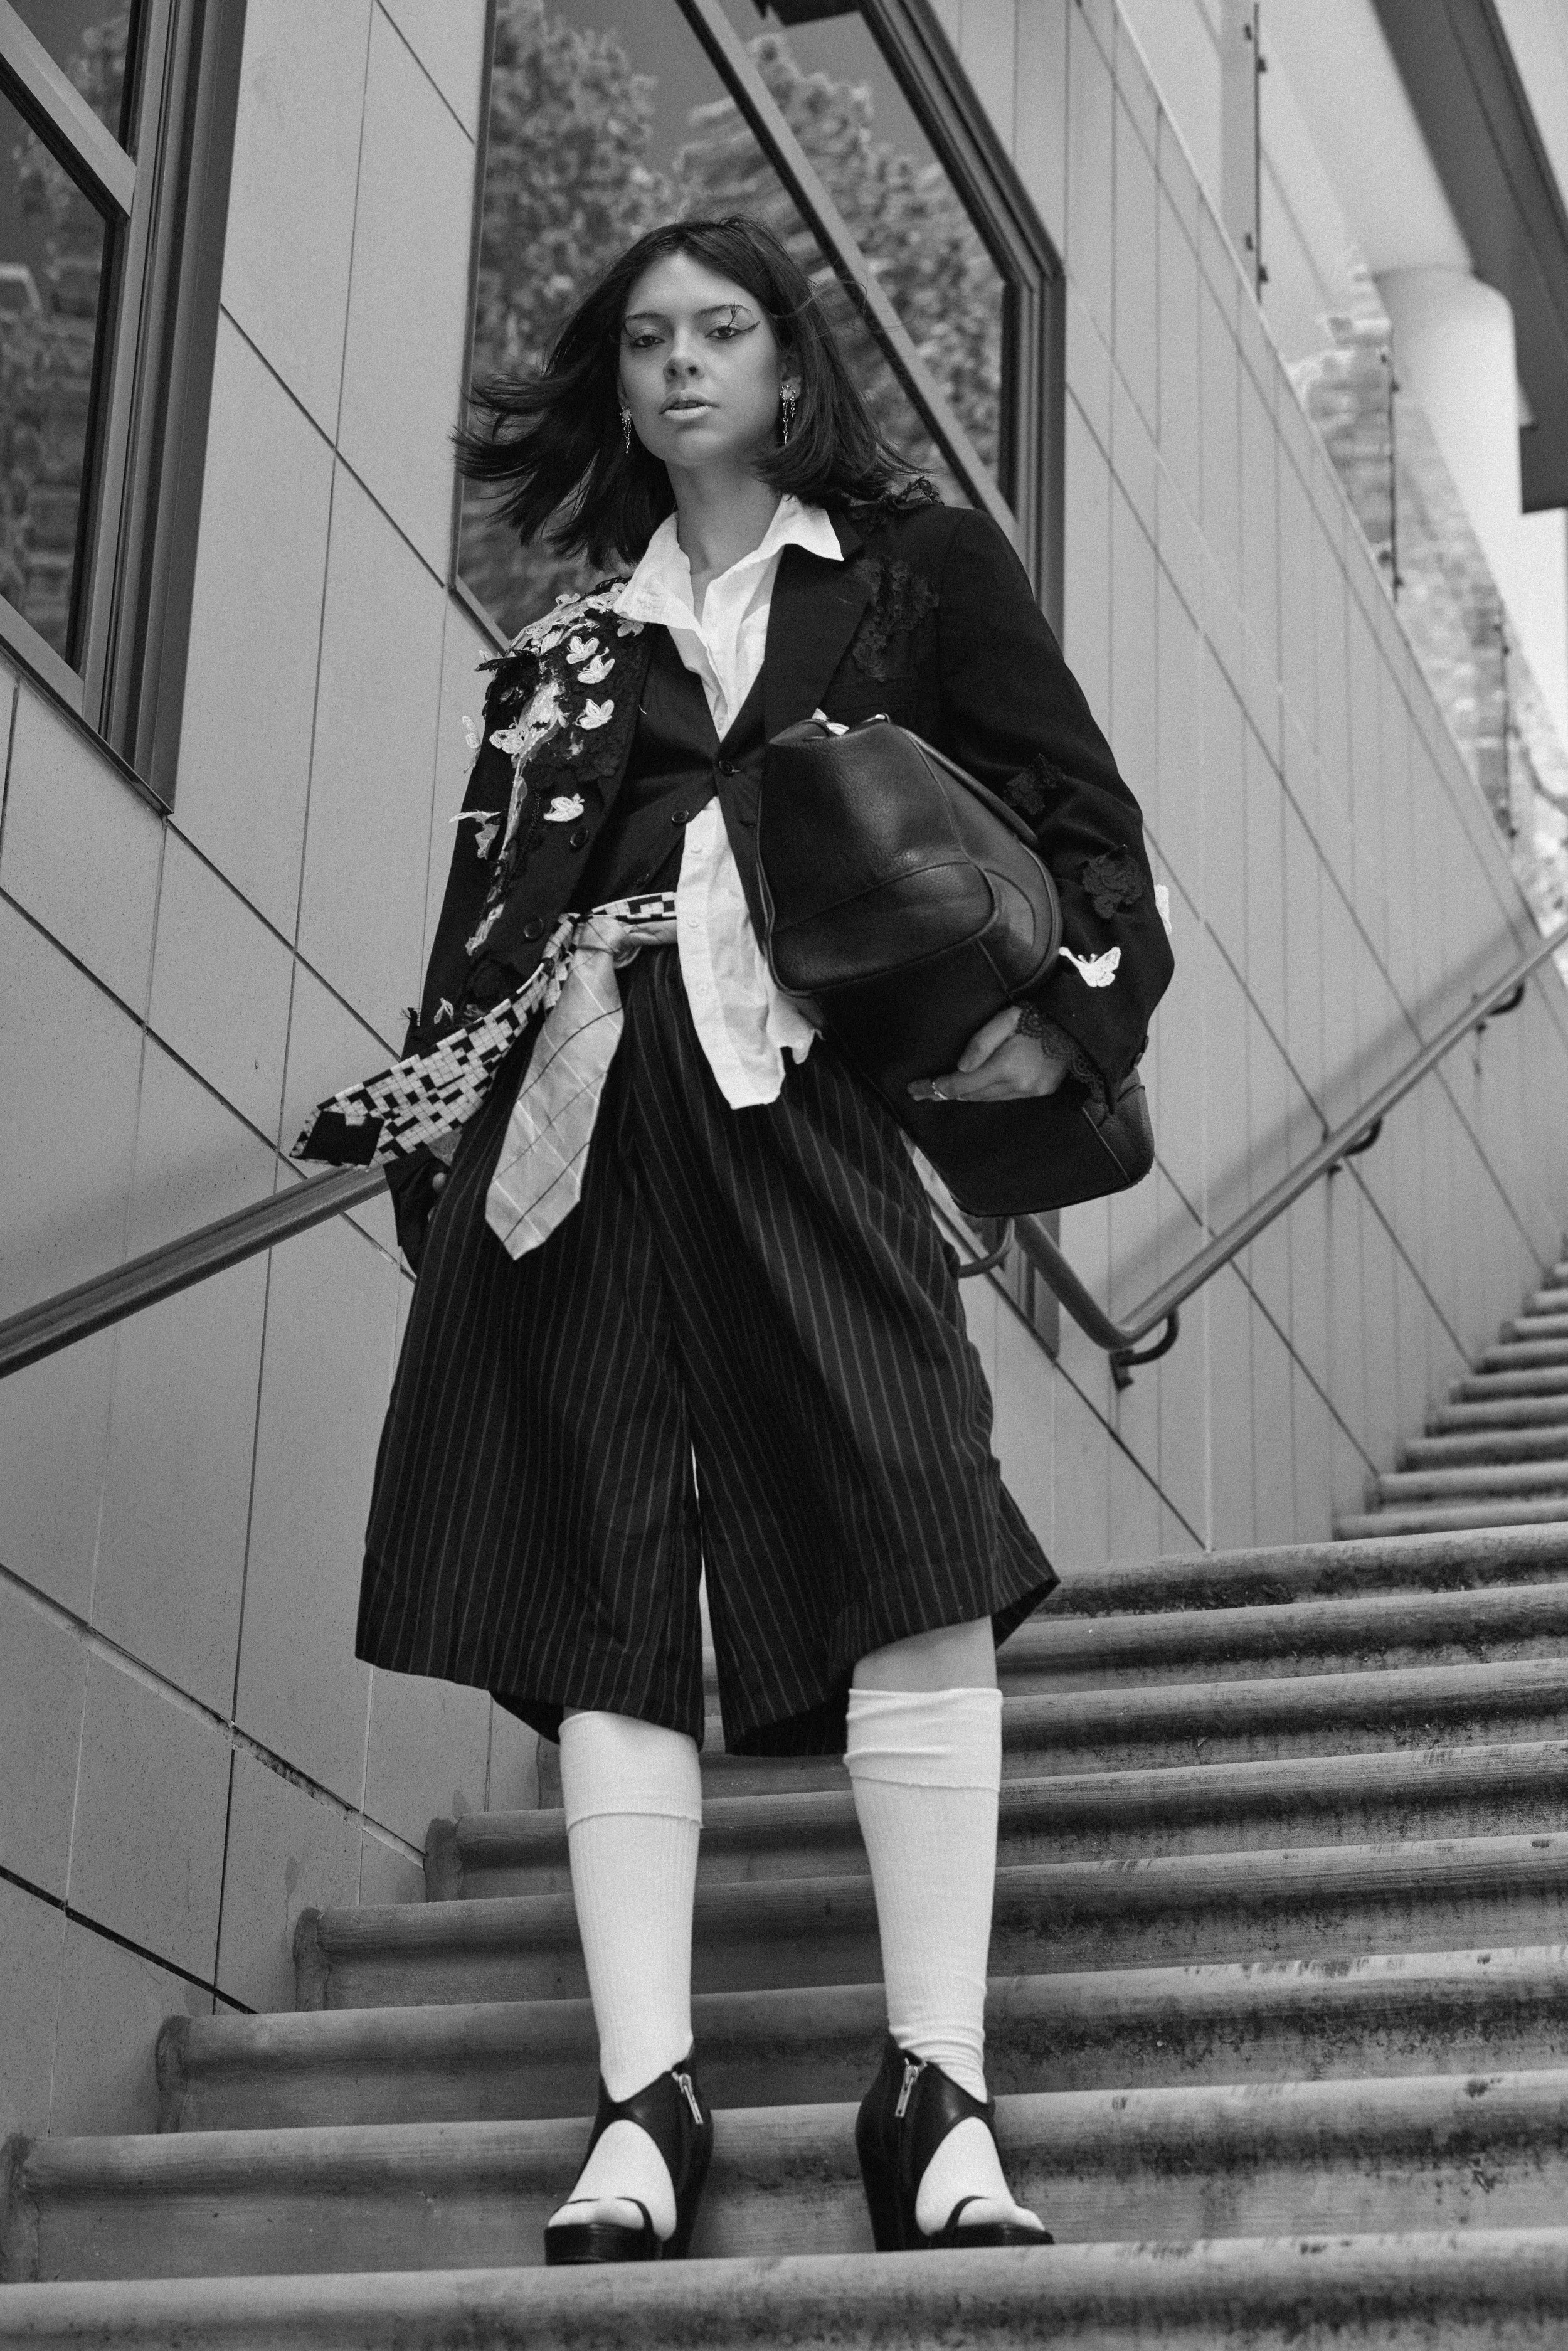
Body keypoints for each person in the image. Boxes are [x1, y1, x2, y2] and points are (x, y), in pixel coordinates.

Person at [358, 215, 1173, 2265]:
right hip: (578, 1112)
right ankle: (646, 2103)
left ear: (794, 363)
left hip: (804, 1103)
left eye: (723, 328)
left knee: (907, 1524)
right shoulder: (561, 652)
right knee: (596, 1575)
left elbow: (1088, 830)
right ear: (618, 386)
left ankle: (939, 2091)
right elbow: (473, 937)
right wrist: (428, 1152)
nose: (683, 362)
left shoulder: (911, 574)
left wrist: (1044, 1039)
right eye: (647, 339)